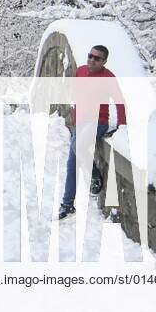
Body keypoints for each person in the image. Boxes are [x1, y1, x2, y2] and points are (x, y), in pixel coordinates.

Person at [58, 44, 127, 220]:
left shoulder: (108, 77)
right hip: (79, 123)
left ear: (104, 61)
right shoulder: (80, 71)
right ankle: (67, 204)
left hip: (99, 122)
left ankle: (95, 176)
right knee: (71, 164)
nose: (92, 60)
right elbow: (76, 95)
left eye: (97, 58)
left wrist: (122, 126)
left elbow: (120, 102)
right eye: (90, 56)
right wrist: (71, 113)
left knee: (78, 148)